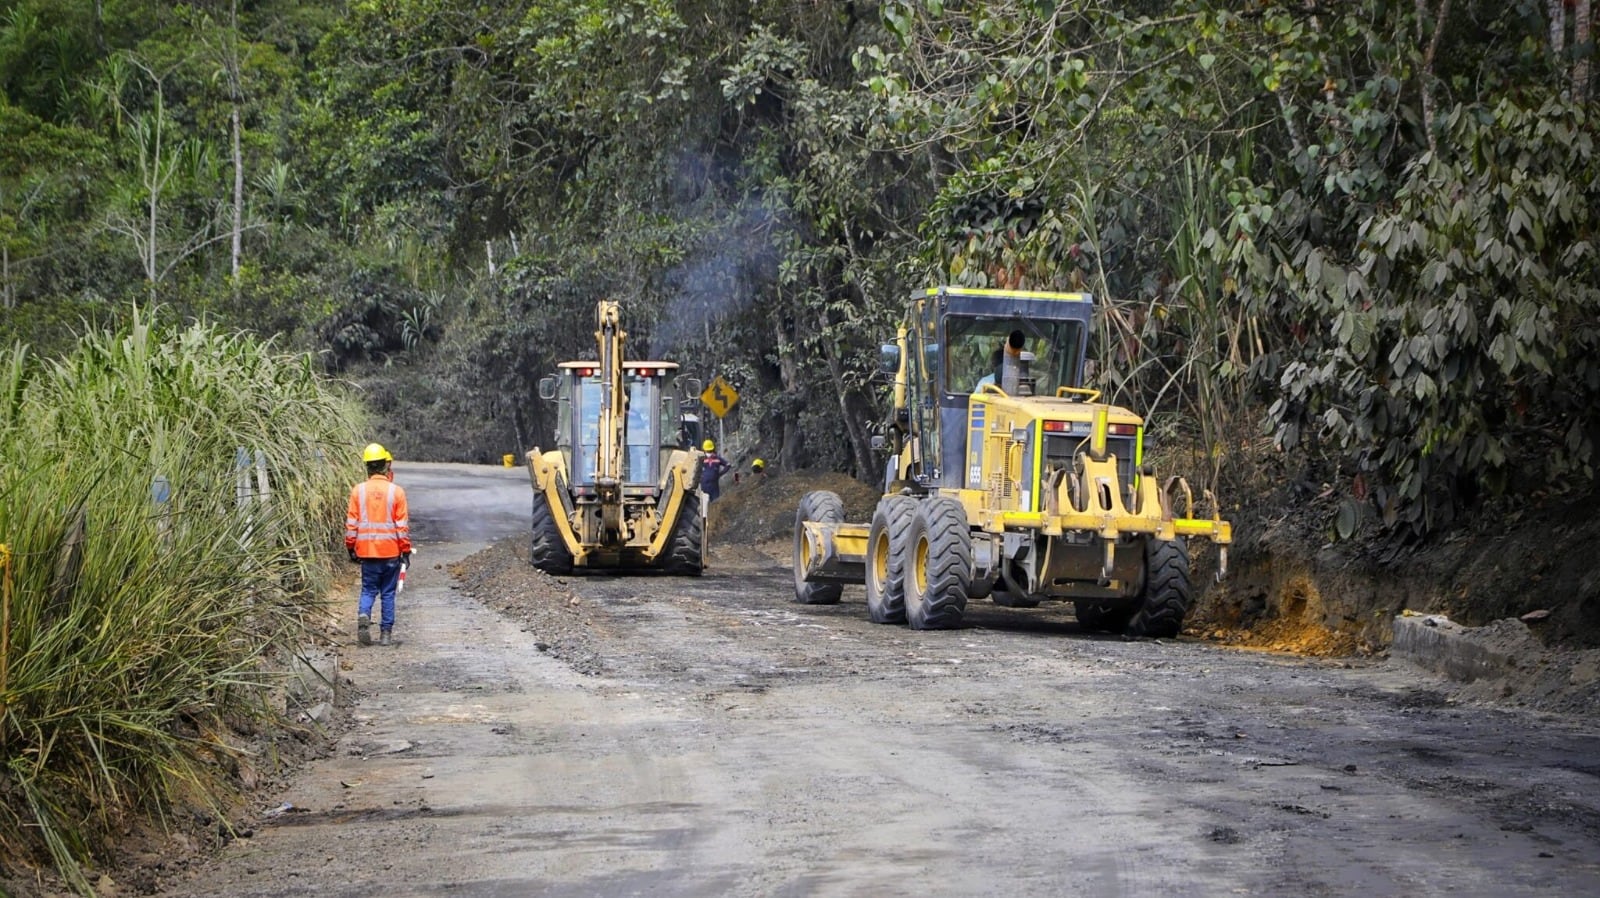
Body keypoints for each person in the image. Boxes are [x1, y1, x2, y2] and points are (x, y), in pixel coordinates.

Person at [345, 443, 411, 647]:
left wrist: (351, 547)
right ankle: (386, 635)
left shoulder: (358, 491)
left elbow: (352, 524)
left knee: (368, 590)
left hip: (367, 552)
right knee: (388, 593)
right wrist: (405, 551)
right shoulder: (396, 492)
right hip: (391, 552)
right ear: (386, 465)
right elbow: (401, 527)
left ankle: (364, 614)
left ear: (367, 466)